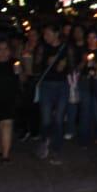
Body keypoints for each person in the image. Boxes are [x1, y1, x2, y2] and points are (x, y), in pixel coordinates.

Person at [34, 25, 77, 164]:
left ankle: (56, 151)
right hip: (46, 85)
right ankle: (45, 140)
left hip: (62, 86)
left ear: (56, 33)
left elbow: (73, 66)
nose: (45, 36)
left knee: (59, 118)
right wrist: (45, 63)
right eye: (44, 34)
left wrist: (65, 66)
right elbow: (35, 66)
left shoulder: (66, 47)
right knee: (46, 118)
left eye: (48, 33)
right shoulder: (42, 47)